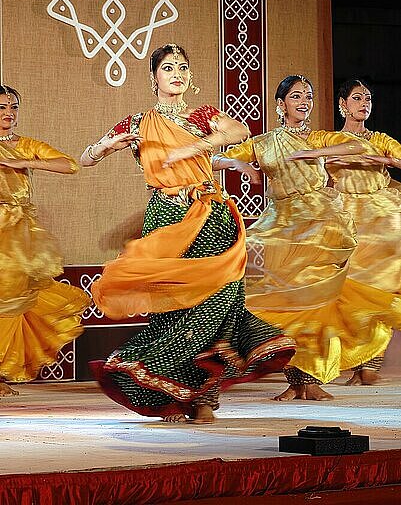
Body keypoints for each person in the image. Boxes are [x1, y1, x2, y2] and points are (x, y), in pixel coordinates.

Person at [81, 44, 295, 423]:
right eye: (167, 68)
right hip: (167, 219)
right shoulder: (137, 124)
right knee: (174, 307)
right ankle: (174, 396)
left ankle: (203, 395)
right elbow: (85, 158)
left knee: (218, 302)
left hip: (211, 215)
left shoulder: (201, 115)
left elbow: (238, 129)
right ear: (153, 78)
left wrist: (205, 149)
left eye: (183, 67)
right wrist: (106, 145)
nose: (176, 73)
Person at [213, 75, 401, 400]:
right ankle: (293, 377)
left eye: (309, 96)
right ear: (280, 104)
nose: (304, 101)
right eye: (297, 96)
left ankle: (311, 376)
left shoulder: (317, 138)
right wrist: (238, 164)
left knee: (318, 302)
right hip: (281, 225)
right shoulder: (264, 142)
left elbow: (359, 145)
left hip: (321, 223)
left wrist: (312, 154)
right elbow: (214, 159)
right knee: (285, 304)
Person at [303, 78, 401, 384]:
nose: (364, 104)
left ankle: (371, 363)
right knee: (347, 291)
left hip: (380, 217)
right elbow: (295, 153)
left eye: (368, 99)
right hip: (342, 215)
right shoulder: (326, 138)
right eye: (357, 98)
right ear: (343, 104)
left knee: (378, 289)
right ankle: (346, 358)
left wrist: (380, 159)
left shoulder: (381, 139)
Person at [0, 84, 89, 397]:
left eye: (13, 108)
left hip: (16, 234)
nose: (8, 114)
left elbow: (70, 164)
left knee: (11, 299)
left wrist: (26, 162)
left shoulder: (25, 145)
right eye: (1, 108)